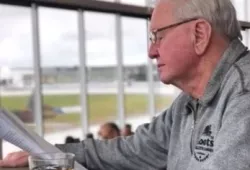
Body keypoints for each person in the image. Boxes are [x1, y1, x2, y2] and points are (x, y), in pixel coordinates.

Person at [0, 0, 250, 169]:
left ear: (199, 34)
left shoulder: (244, 94)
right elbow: (132, 150)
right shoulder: (186, 104)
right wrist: (50, 155)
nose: (152, 51)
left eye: (158, 36)